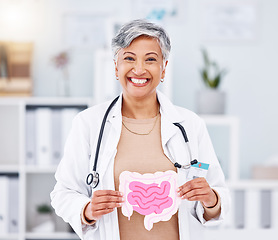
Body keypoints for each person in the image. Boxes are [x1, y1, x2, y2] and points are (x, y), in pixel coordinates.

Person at [50, 19, 230, 240]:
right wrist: (86, 210)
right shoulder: (88, 123)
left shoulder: (190, 125)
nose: (139, 69)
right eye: (129, 58)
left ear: (163, 68)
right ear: (116, 67)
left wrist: (211, 198)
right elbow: (63, 193)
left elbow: (218, 199)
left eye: (151, 59)